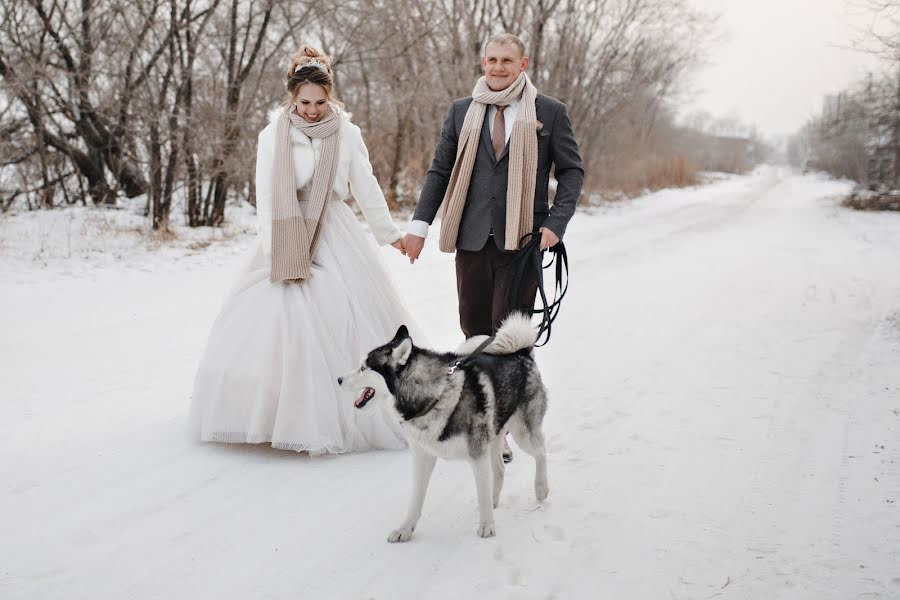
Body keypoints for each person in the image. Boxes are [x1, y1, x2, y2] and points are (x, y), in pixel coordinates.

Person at [190, 45, 421, 454]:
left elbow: (365, 188)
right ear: (291, 98)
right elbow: (265, 192)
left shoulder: (347, 134)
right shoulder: (273, 134)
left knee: (338, 316)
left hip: (333, 229)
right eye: (304, 102)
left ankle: (337, 414)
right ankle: (269, 413)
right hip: (286, 228)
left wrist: (390, 234)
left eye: (320, 102)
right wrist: (272, 246)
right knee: (279, 322)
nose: (312, 110)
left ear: (330, 97)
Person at [401, 33, 584, 461]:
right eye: (492, 60)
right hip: (470, 237)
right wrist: (419, 225)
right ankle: (482, 413)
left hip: (522, 240)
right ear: (483, 62)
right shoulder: (463, 111)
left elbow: (572, 172)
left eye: (507, 60)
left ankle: (502, 428)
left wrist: (555, 224)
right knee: (474, 329)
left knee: (509, 337)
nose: (498, 67)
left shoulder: (550, 113)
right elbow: (440, 169)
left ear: (523, 64)